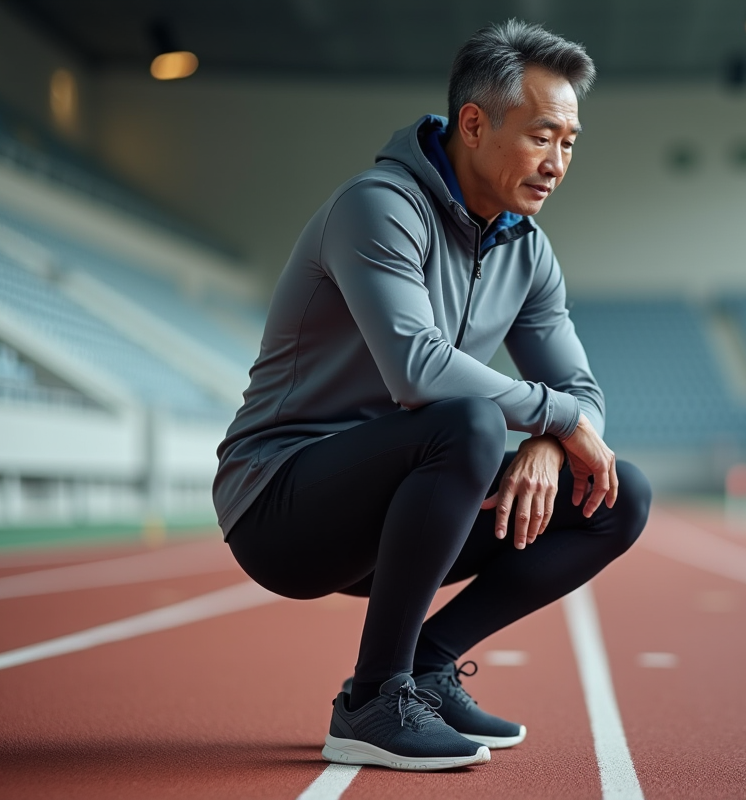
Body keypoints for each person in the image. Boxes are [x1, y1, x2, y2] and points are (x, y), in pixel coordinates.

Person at [213, 20, 652, 771]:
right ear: (474, 125)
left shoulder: (527, 250)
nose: (558, 163)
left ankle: (423, 665)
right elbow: (418, 369)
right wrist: (557, 418)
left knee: (615, 495)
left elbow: (580, 391)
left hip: (413, 499)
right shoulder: (379, 207)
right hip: (282, 501)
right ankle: (372, 700)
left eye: (570, 143)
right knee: (471, 424)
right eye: (543, 136)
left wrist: (550, 442)